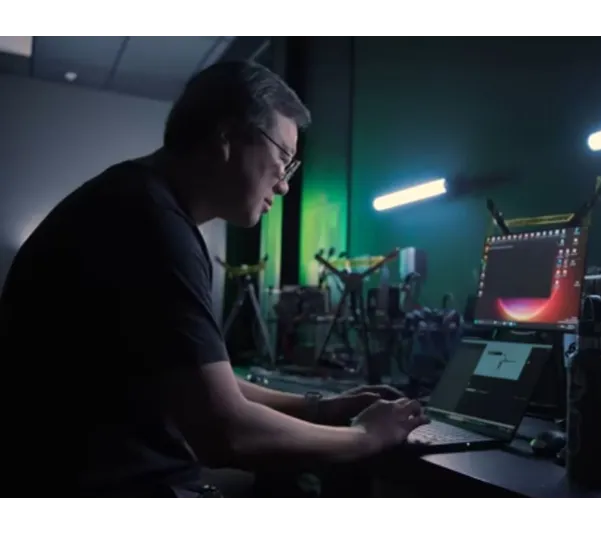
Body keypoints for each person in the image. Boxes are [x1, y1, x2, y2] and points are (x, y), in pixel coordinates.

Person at [0, 61, 428, 503]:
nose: (284, 186)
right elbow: (226, 433)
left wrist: (319, 407)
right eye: (283, 159)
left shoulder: (137, 200)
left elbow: (200, 383)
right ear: (227, 138)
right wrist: (366, 437)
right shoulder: (153, 226)